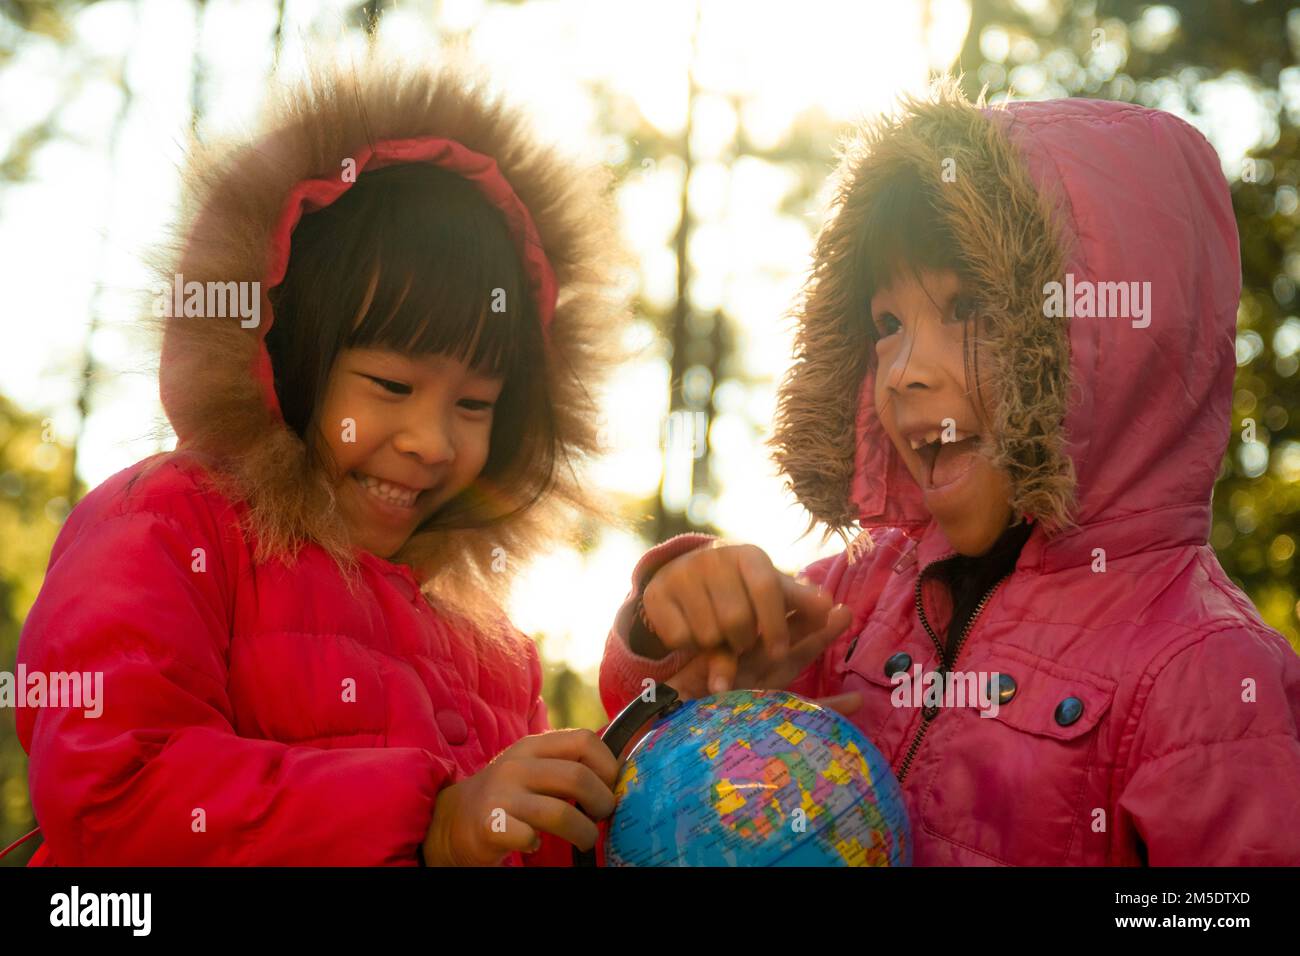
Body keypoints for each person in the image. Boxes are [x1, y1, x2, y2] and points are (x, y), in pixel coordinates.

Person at [599, 84, 1300, 865]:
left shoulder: (1207, 673)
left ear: (1111, 342)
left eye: (968, 308)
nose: (902, 373)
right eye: (887, 324)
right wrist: (671, 626)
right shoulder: (850, 605)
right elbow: (655, 778)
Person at [14, 49, 625, 866]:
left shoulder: (493, 648)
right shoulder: (172, 524)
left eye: (474, 404)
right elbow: (116, 789)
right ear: (292, 356)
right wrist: (429, 819)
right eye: (391, 384)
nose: (433, 442)